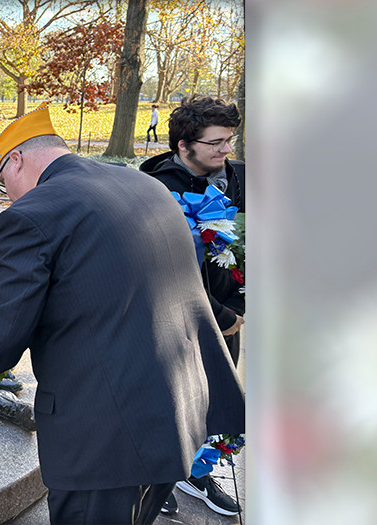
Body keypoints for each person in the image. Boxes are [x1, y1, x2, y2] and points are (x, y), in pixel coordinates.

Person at [0, 103, 245, 525]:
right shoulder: (144, 184)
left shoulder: (31, 215)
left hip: (105, 440)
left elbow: (2, 332)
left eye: (3, 182)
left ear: (16, 159)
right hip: (180, 413)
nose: (10, 194)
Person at [140, 94, 246, 517]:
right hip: (179, 320)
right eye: (216, 142)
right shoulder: (157, 191)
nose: (226, 150)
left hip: (229, 313)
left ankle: (197, 474)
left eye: (229, 140)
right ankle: (158, 477)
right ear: (183, 146)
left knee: (215, 401)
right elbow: (164, 271)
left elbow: (243, 244)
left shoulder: (231, 176)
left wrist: (239, 304)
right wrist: (222, 317)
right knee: (172, 401)